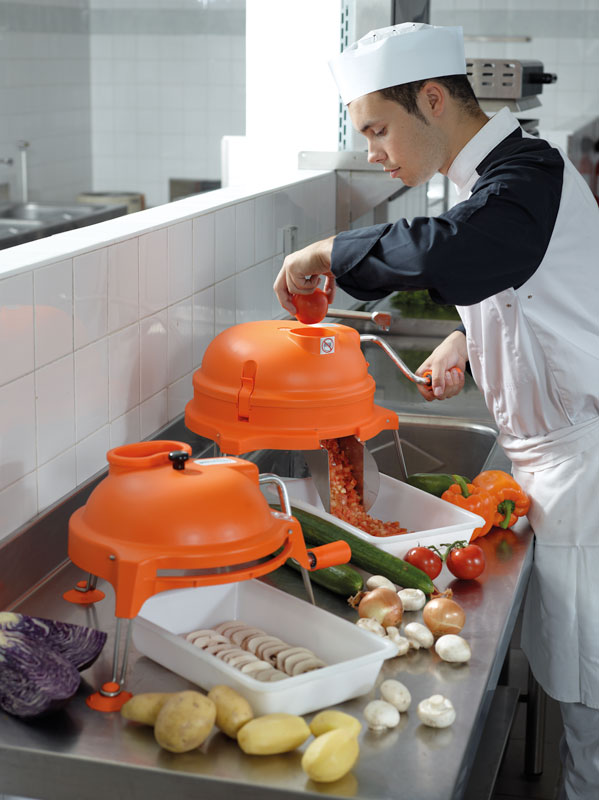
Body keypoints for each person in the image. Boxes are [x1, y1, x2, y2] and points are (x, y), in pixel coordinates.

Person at [273, 22, 599, 800]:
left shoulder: (527, 173)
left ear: (431, 100)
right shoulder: (493, 177)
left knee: (590, 706)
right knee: (578, 690)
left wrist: (324, 252)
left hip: (582, 470)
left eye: (377, 130)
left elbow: (449, 249)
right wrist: (467, 339)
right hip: (550, 462)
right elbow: (520, 279)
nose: (373, 152)